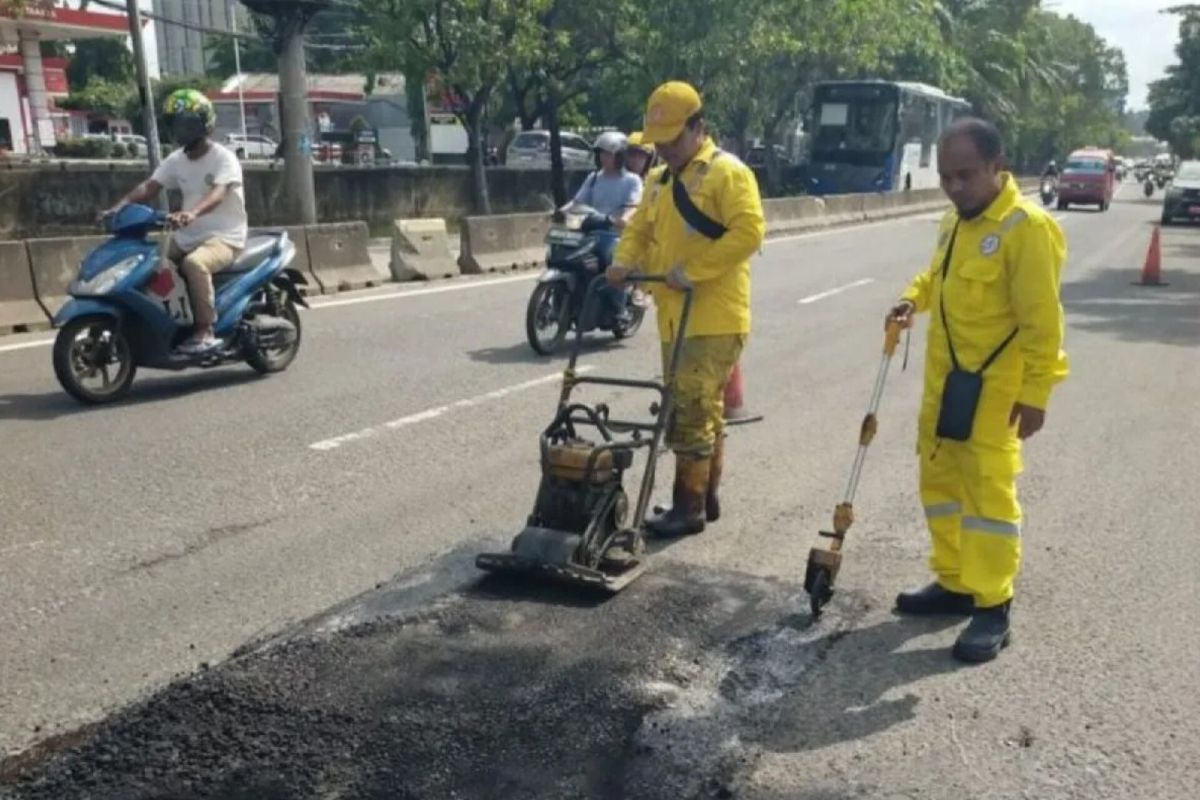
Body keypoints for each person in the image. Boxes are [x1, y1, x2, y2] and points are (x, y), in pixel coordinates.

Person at [886, 118, 1068, 663]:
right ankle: (955, 581)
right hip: (945, 388)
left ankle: (993, 604)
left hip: (995, 395)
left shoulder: (1025, 228)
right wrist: (909, 300)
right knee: (940, 486)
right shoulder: (953, 222)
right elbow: (934, 277)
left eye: (965, 175)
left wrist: (1037, 390)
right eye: (946, 176)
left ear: (997, 166)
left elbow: (1042, 321)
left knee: (988, 499)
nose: (954, 186)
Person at [607, 81, 765, 537]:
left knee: (692, 411)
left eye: (674, 140)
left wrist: (692, 270)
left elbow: (748, 233)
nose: (666, 150)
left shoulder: (727, 173)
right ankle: (706, 497)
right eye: (659, 142)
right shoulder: (658, 181)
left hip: (714, 316)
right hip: (672, 314)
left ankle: (687, 507)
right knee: (697, 408)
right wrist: (622, 262)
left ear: (698, 127)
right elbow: (640, 232)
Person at [103, 89, 247, 354]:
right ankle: (166, 321)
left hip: (225, 237)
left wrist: (192, 213)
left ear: (205, 124)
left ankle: (205, 329)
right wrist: (119, 208)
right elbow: (150, 187)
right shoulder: (176, 160)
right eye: (176, 124)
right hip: (187, 236)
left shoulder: (224, 158)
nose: (182, 130)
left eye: (188, 124)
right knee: (147, 261)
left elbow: (218, 192)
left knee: (194, 264)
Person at [565, 130, 642, 323]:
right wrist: (560, 211)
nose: (604, 158)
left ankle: (619, 308)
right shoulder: (593, 178)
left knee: (613, 265)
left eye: (608, 154)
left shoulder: (632, 180)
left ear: (620, 156)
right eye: (601, 154)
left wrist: (623, 218)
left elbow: (634, 206)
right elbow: (576, 202)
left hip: (615, 235)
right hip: (591, 231)